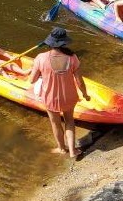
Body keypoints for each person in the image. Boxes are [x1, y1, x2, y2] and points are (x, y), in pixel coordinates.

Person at [29, 27, 91, 158]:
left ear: (50, 42)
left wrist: (38, 71)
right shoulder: (72, 58)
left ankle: (62, 149)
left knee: (55, 123)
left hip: (50, 98)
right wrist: (85, 95)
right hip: (69, 97)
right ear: (64, 42)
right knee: (69, 121)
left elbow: (32, 80)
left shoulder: (40, 58)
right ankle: (73, 151)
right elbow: (79, 81)